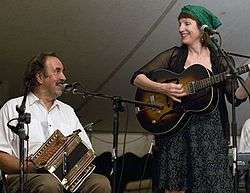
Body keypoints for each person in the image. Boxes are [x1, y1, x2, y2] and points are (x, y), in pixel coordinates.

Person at [130, 5, 249, 193]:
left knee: (214, 186)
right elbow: (137, 77)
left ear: (203, 29)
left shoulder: (221, 60)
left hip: (210, 132)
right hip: (175, 129)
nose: (180, 28)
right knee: (174, 187)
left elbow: (235, 98)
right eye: (179, 24)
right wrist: (163, 87)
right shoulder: (174, 55)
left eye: (186, 23)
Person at [0, 52, 111, 193]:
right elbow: (1, 155)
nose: (63, 77)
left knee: (100, 182)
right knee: (49, 184)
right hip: (26, 175)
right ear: (40, 77)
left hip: (67, 176)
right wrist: (31, 166)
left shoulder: (67, 111)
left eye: (63, 72)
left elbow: (87, 150)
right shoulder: (12, 107)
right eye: (57, 71)